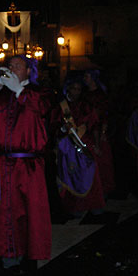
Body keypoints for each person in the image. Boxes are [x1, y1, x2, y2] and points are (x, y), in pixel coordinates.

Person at [0, 55, 53, 271]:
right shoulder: (1, 95)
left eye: (17, 66)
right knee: (5, 211)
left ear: (29, 71)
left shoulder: (40, 93)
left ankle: (32, 252)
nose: (12, 69)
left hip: (28, 165)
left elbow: (43, 107)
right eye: (9, 66)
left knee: (31, 211)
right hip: (2, 164)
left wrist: (20, 91)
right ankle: (10, 252)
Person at [52, 76, 104, 217]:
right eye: (74, 88)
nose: (76, 92)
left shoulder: (86, 106)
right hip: (68, 146)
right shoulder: (60, 107)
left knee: (91, 174)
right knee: (72, 175)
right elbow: (53, 128)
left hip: (85, 143)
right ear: (68, 88)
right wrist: (63, 129)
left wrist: (97, 145)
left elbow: (94, 126)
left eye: (79, 89)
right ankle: (77, 207)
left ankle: (94, 204)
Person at [83, 69, 116, 197]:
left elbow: (105, 114)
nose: (85, 78)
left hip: (98, 132)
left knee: (102, 161)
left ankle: (103, 188)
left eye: (87, 76)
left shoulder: (101, 95)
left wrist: (103, 131)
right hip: (87, 131)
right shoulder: (84, 94)